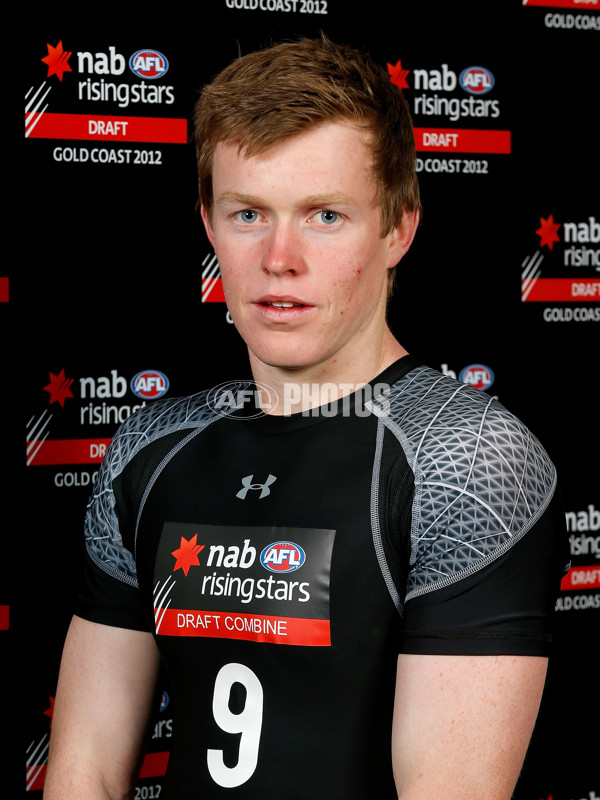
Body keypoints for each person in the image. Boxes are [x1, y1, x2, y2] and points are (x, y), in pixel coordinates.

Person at [44, 36, 567, 799]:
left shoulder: (465, 457)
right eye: (248, 213)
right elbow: (83, 773)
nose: (279, 257)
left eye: (325, 215)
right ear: (208, 224)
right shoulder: (149, 450)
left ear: (397, 230)